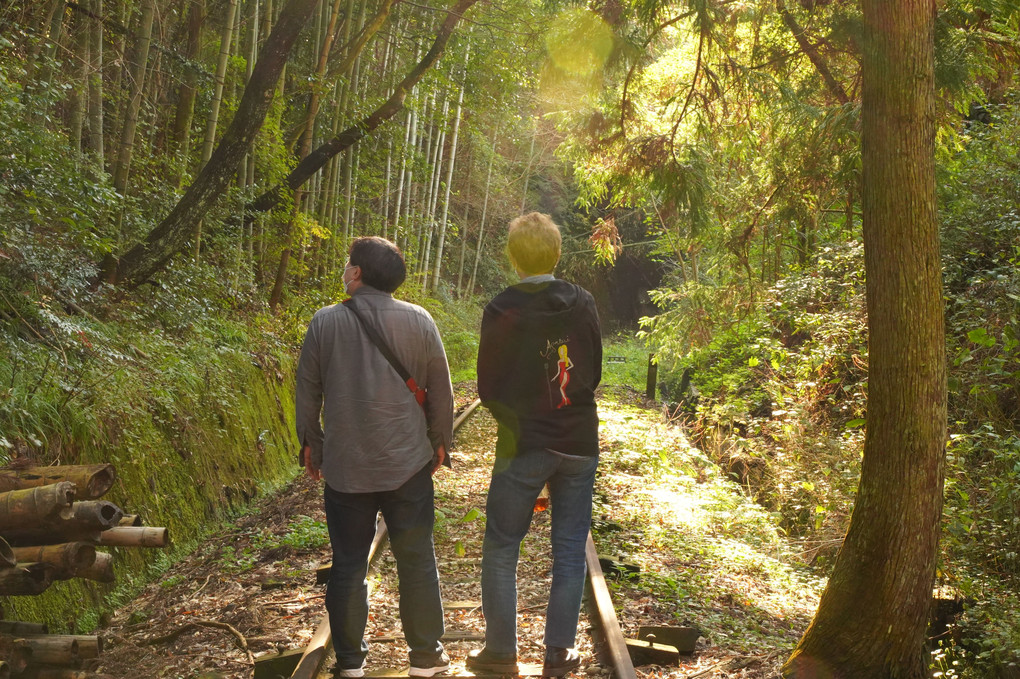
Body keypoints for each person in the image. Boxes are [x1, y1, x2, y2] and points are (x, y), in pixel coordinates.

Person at [295, 236, 454, 679]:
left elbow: (307, 390)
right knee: (417, 557)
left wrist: (312, 443)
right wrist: (440, 441)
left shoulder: (324, 323)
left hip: (347, 470)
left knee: (348, 563)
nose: (345, 270)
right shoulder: (420, 321)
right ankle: (425, 656)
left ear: (358, 273)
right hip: (408, 465)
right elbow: (440, 388)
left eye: (349, 264)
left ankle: (350, 663)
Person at [467, 213, 602, 677]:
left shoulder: (501, 308)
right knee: (568, 550)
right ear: (557, 254)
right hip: (579, 441)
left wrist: (518, 425)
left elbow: (488, 387)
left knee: (503, 545)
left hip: (523, 443)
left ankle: (501, 653)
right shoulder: (582, 302)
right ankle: (558, 654)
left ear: (513, 257)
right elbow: (595, 372)